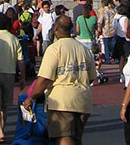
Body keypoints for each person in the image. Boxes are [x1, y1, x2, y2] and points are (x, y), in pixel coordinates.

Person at [23, 14, 96, 145]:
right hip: (83, 99)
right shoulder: (84, 50)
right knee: (77, 138)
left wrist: (32, 97)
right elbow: (91, 77)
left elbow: (45, 78)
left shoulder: (54, 49)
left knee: (64, 136)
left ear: (55, 29)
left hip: (61, 101)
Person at [0, 12, 25, 143]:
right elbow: (20, 60)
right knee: (5, 105)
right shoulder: (13, 39)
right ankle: (1, 129)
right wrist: (23, 77)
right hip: (9, 73)